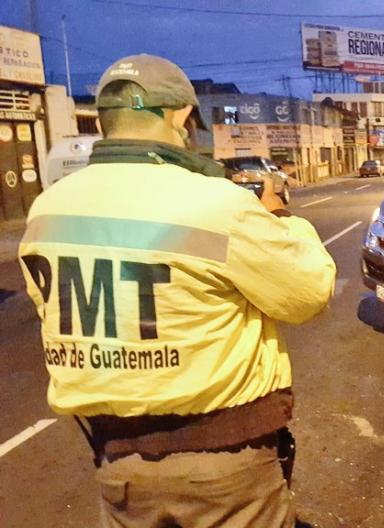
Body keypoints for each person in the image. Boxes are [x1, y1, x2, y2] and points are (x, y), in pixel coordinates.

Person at [18, 54, 335, 527]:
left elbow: (51, 307)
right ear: (180, 116)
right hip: (223, 467)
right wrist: (278, 216)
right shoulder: (214, 202)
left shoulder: (46, 209)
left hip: (118, 466)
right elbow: (308, 291)